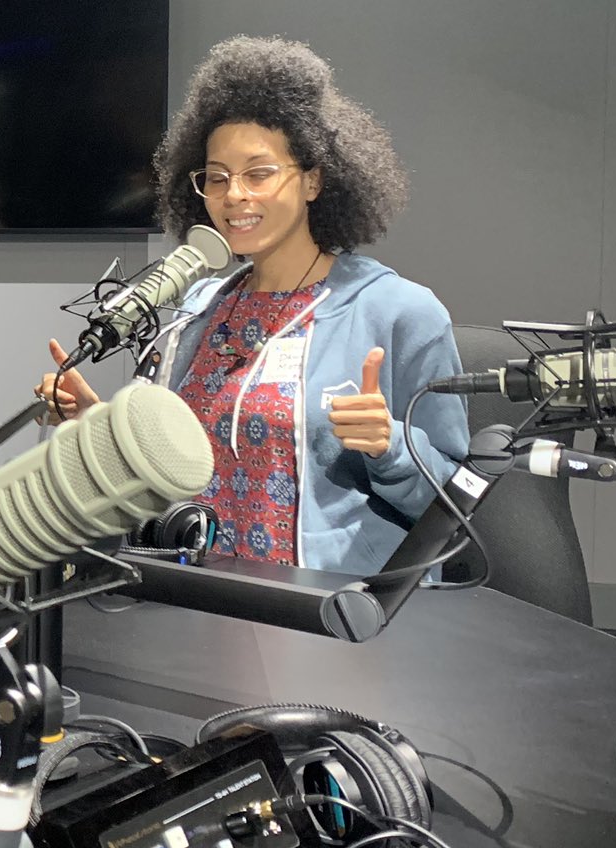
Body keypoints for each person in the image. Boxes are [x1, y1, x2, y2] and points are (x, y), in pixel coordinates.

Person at [35, 38, 467, 574]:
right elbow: (167, 469)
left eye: (258, 173)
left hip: (322, 617)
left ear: (313, 179)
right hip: (193, 603)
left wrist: (392, 446)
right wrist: (96, 421)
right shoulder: (198, 310)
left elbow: (457, 506)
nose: (233, 195)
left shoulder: (400, 312)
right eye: (217, 177)